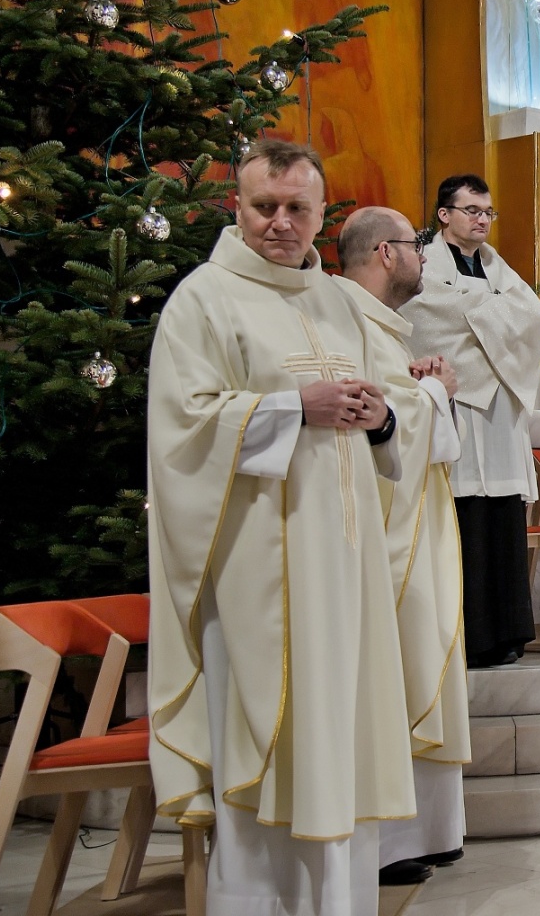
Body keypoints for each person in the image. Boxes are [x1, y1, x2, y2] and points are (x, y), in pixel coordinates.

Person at [147, 141, 413, 915]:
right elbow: (183, 428)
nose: (280, 222)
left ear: (322, 214)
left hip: (344, 569)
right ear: (238, 205)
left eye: (298, 207)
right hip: (257, 570)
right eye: (265, 206)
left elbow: (381, 412)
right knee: (267, 734)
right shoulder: (203, 300)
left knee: (340, 737)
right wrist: (294, 407)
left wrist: (380, 418)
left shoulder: (338, 300)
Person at [335, 208, 470, 886]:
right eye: (416, 244)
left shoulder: (380, 326)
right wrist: (436, 392)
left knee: (421, 663)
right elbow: (374, 423)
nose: (424, 255)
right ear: (385, 254)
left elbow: (395, 411)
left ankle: (423, 832)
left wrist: (421, 389)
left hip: (415, 523)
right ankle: (388, 842)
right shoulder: (347, 320)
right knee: (395, 674)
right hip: (384, 534)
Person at [402, 175, 540, 669]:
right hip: (457, 402)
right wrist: (492, 315)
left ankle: (508, 632)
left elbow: (534, 317)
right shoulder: (424, 265)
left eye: (488, 211)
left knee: (503, 517)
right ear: (444, 214)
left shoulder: (496, 266)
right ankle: (469, 636)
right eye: (471, 210)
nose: (482, 219)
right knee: (463, 516)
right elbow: (425, 317)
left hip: (499, 409)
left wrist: (479, 317)